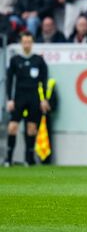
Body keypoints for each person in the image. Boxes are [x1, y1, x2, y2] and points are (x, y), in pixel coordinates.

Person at [4, 32, 48, 166]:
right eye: (24, 42)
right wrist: (9, 99)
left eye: (29, 41)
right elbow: (10, 80)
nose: (27, 44)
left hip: (34, 97)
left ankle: (29, 159)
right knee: (12, 127)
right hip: (19, 97)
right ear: (21, 43)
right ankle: (8, 159)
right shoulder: (15, 60)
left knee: (32, 127)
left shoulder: (39, 60)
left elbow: (43, 81)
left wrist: (43, 99)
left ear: (32, 43)